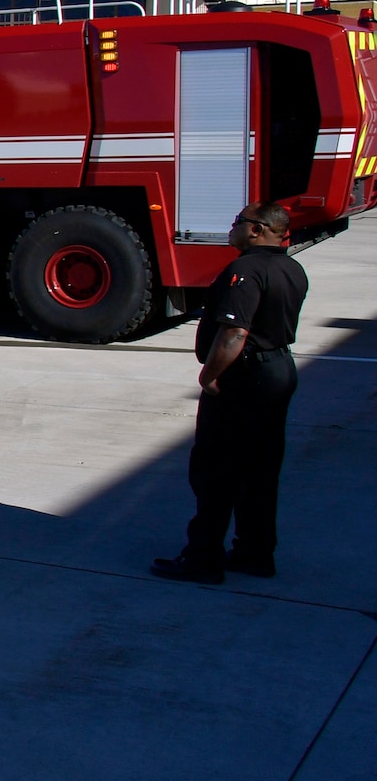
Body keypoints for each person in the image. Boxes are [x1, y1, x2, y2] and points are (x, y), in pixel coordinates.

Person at [154, 202, 309, 584]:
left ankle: (203, 559)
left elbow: (235, 332)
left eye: (238, 222)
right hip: (277, 369)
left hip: (245, 377)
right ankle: (255, 552)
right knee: (260, 469)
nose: (233, 227)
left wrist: (210, 374)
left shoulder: (245, 269)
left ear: (257, 229)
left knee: (216, 469)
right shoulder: (292, 268)